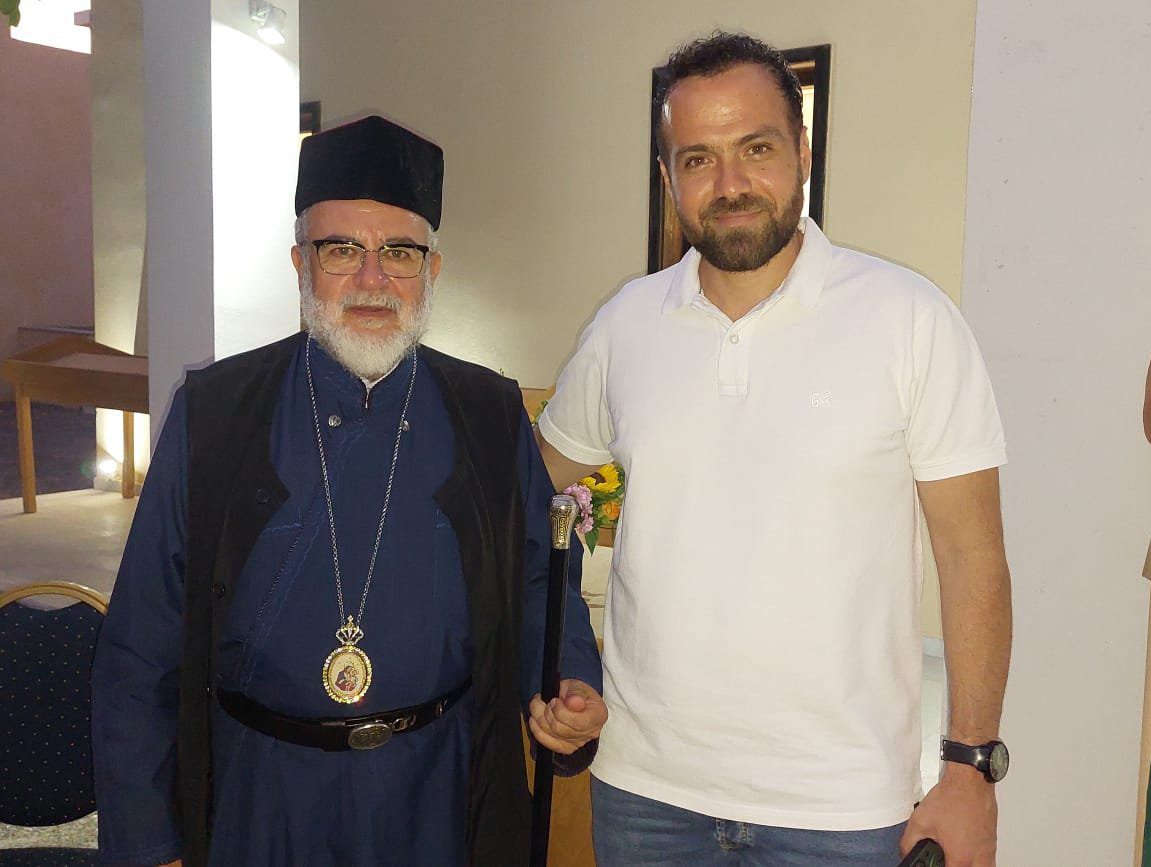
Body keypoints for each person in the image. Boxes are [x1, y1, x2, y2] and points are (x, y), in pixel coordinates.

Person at [535, 32, 1012, 867]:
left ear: (802, 151)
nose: (729, 185)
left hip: (842, 811)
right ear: (668, 179)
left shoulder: (909, 318)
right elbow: (522, 486)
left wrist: (970, 769)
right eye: (697, 159)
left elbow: (972, 556)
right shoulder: (625, 325)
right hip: (646, 797)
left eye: (755, 149)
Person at [91, 115, 606, 867]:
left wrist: (571, 682)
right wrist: (147, 843)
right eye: (342, 250)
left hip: (438, 792)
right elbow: (142, 643)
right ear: (301, 264)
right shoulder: (216, 411)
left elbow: (538, 581)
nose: (372, 279)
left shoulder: (489, 414)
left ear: (432, 269)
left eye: (399, 251)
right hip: (261, 795)